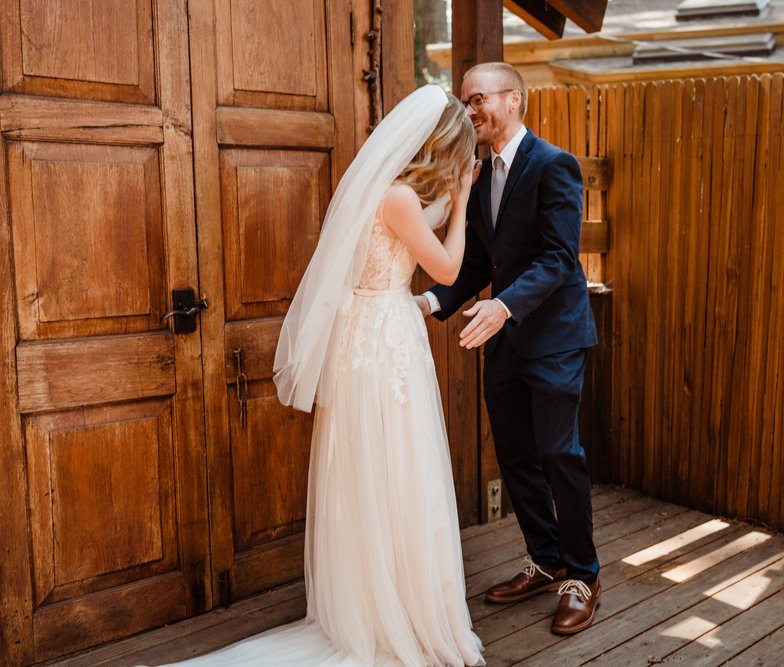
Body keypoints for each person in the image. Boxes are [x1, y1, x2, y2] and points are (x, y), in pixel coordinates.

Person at [155, 85, 485, 667]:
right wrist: (461, 203)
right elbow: (450, 267)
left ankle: (385, 600)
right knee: (396, 466)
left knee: (379, 469)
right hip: (384, 341)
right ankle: (394, 613)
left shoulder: (386, 193)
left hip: (372, 328)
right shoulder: (402, 199)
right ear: (446, 148)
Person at [417, 62, 601, 635]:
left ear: (514, 100)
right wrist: (428, 304)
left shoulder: (554, 165)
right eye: (465, 102)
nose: (470, 112)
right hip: (503, 342)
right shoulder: (479, 173)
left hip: (554, 339)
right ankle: (545, 561)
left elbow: (557, 256)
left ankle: (583, 575)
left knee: (558, 453)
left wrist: (504, 305)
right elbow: (477, 263)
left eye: (478, 100)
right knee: (517, 457)